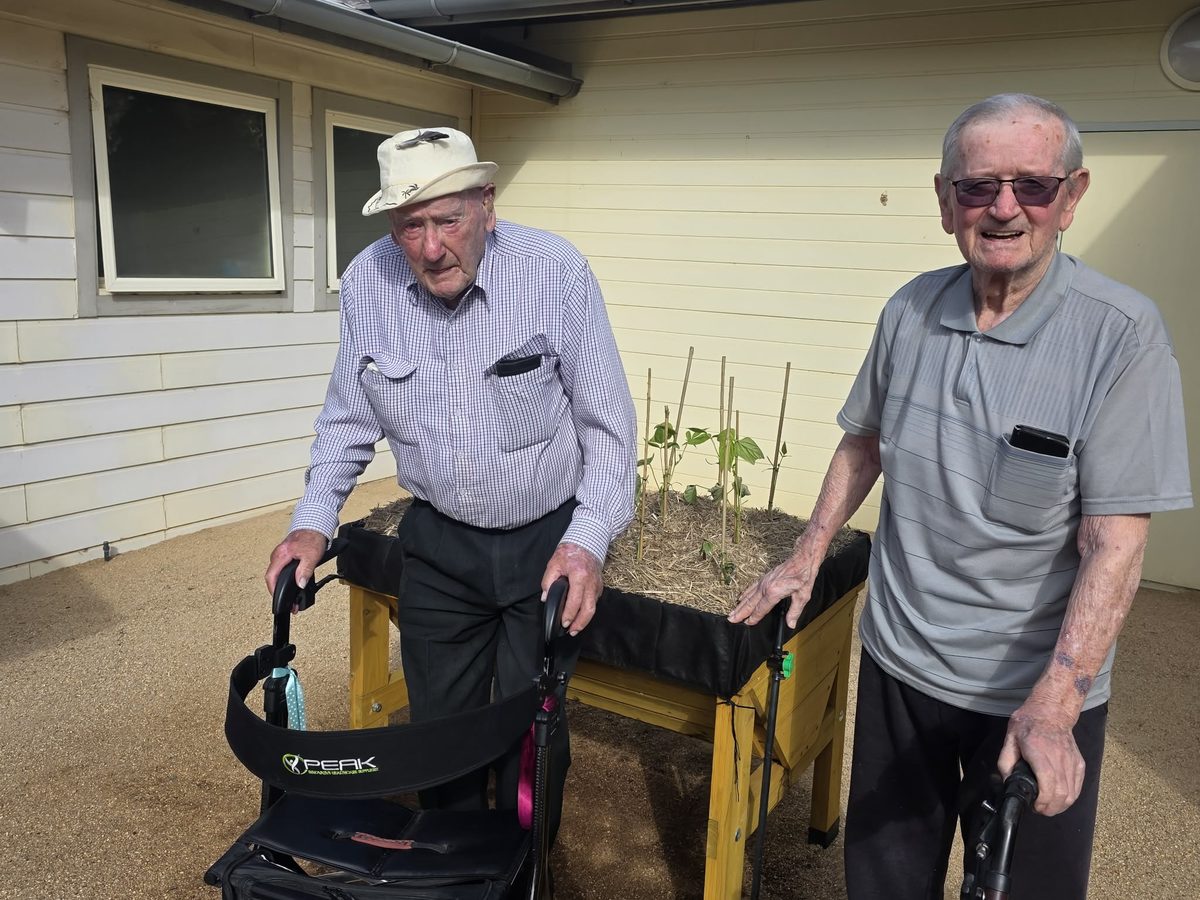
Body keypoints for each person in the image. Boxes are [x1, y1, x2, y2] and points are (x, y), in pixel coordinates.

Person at [729, 93, 1191, 899]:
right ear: (947, 202)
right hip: (900, 665)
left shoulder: (1121, 336)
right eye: (978, 187)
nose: (1004, 208)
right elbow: (864, 442)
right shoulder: (910, 310)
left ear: (1071, 198)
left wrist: (1057, 702)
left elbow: (1115, 541)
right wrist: (807, 554)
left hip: (1029, 694)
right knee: (884, 881)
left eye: (1032, 186)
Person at [265, 126, 637, 842]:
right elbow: (347, 418)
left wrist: (587, 541)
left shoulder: (554, 273)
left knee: (532, 731)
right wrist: (312, 522)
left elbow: (609, 430)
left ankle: (525, 868)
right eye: (411, 226)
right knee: (439, 735)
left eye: (448, 220)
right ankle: (450, 865)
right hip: (438, 545)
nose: (432, 247)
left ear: (487, 205)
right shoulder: (369, 283)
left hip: (545, 544)